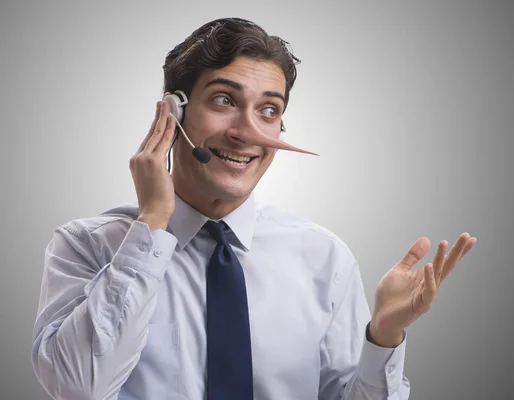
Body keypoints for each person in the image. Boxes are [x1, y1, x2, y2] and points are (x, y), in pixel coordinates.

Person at [31, 17, 476, 400]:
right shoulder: (88, 246)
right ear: (172, 112)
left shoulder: (325, 258)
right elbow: (79, 387)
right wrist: (151, 225)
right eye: (225, 101)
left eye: (268, 111)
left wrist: (382, 338)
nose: (247, 133)